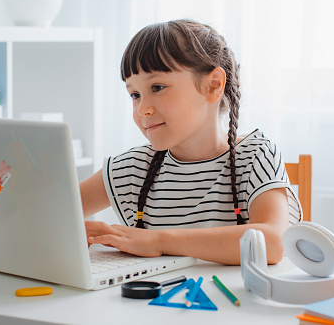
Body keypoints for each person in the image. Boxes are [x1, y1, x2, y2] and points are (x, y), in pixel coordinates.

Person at [80, 19, 301, 265]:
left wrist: (158, 241)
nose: (143, 109)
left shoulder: (256, 155)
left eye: (158, 87)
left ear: (213, 85)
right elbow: (45, 215)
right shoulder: (133, 167)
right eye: (135, 94)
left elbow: (272, 243)